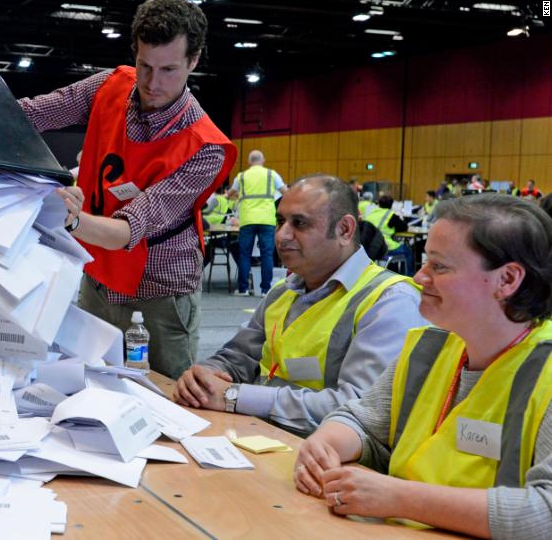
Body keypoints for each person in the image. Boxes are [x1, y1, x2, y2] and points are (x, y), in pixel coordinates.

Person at [295, 194, 552, 537]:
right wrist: (324, 445)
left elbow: (545, 513)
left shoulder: (545, 371)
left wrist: (399, 498)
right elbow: (362, 420)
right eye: (425, 261)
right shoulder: (429, 347)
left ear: (507, 280)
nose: (419, 277)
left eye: (439, 266)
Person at [18, 0, 237, 378]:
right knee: (86, 383)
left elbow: (129, 228)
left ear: (194, 61)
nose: (153, 84)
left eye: (169, 69)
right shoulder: (108, 86)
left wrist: (67, 219)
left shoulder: (206, 147)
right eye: (144, 65)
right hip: (98, 274)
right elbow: (33, 113)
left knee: (165, 398)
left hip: (160, 291)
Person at [174, 175, 424, 435]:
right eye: (281, 221)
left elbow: (357, 408)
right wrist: (204, 377)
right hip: (259, 435)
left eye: (300, 223)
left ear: (344, 230)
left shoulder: (390, 301)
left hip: (325, 458)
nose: (281, 235)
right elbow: (239, 357)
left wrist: (236, 397)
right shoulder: (282, 291)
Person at [231, 150, 287, 296]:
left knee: (244, 254)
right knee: (267, 254)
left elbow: (231, 193)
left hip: (247, 219)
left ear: (249, 162)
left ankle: (243, 289)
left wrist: (238, 194)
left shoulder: (241, 176)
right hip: (267, 219)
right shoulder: (271, 174)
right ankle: (265, 290)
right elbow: (285, 191)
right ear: (263, 161)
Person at [363, 194, 413, 274]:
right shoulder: (390, 215)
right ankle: (409, 276)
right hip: (385, 247)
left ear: (378, 204)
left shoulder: (370, 214)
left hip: (368, 248)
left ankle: (393, 272)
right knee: (407, 250)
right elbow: (404, 227)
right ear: (391, 205)